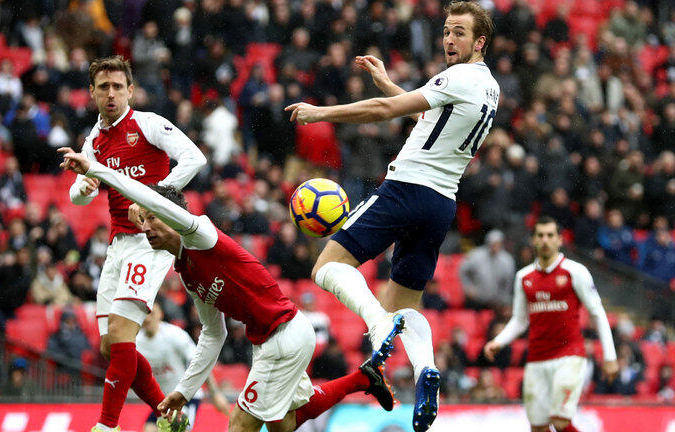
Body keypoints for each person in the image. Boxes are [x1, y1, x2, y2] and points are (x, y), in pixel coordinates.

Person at [59, 148, 404, 432]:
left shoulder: (200, 235)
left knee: (239, 426)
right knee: (283, 424)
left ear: (172, 217)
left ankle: (364, 377)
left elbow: (155, 200)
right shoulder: (187, 273)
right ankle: (363, 377)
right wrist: (184, 390)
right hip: (275, 338)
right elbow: (213, 334)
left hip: (283, 335)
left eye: (152, 219)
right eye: (144, 221)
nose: (146, 229)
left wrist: (96, 169)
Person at [284, 2, 499, 431]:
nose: (449, 40)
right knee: (405, 303)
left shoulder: (458, 77)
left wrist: (319, 113)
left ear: (480, 42)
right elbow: (428, 113)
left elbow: (386, 112)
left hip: (406, 188)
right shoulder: (489, 88)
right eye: (446, 31)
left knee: (327, 267)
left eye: (459, 33)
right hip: (441, 204)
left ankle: (377, 325)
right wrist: (386, 80)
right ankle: (426, 370)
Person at [66, 56, 206, 432]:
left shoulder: (147, 123)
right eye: (103, 87)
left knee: (123, 333)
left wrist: (154, 200)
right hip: (117, 246)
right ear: (92, 93)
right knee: (110, 346)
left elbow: (195, 158)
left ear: (130, 90)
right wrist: (85, 185)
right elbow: (77, 197)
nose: (111, 94)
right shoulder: (93, 140)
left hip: (150, 240)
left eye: (117, 86)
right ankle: (170, 416)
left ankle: (107, 425)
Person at [483, 217, 619, 432]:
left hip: (569, 356)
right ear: (533, 240)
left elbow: (598, 313)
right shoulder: (524, 277)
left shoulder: (575, 272)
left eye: (550, 235)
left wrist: (610, 357)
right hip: (537, 358)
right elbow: (520, 320)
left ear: (560, 240)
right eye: (540, 235)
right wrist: (498, 341)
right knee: (538, 427)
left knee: (560, 420)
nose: (545, 240)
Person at [136, 303, 230, 432]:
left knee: (177, 429)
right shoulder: (136, 342)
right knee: (149, 429)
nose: (147, 318)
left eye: (151, 314)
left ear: (160, 314)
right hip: (163, 401)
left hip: (185, 397)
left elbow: (200, 362)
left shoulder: (174, 335)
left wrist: (215, 394)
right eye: (144, 314)